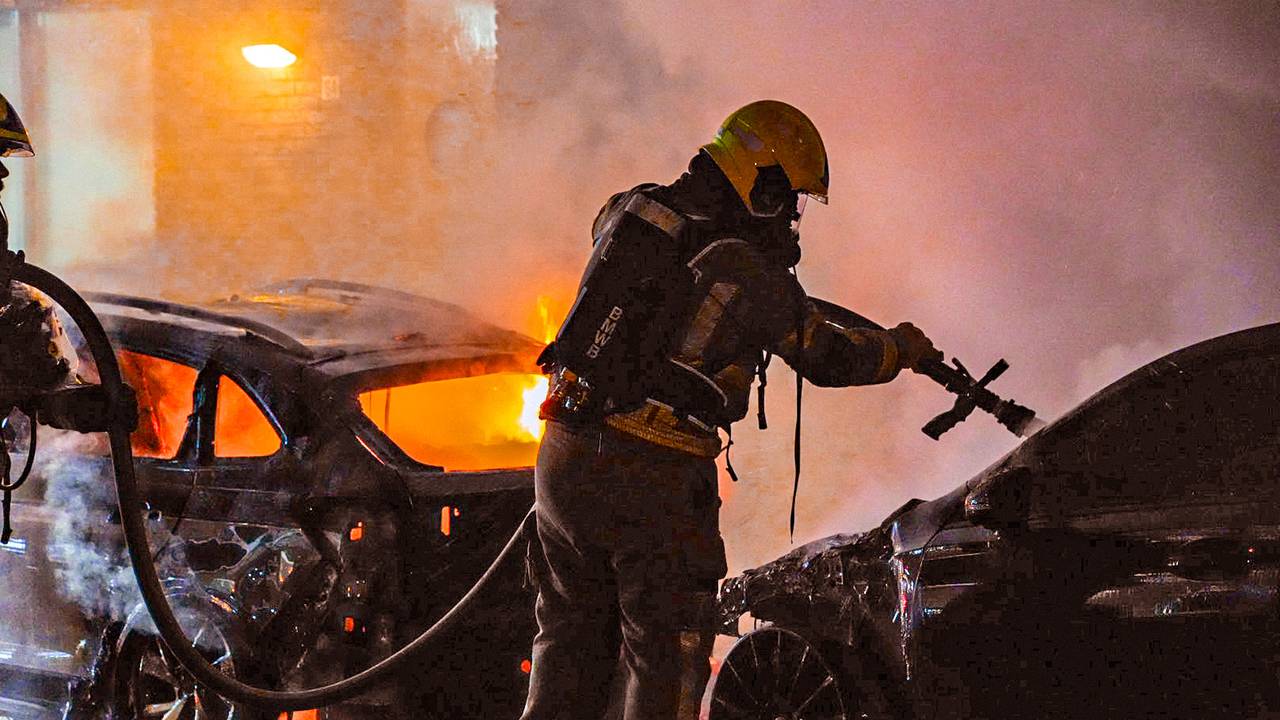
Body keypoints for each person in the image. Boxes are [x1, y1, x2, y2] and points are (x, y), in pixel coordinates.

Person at [521, 100, 941, 720]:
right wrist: (899, 350)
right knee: (665, 655)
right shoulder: (746, 266)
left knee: (568, 643)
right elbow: (827, 357)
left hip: (563, 458)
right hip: (655, 475)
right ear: (760, 181)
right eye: (790, 197)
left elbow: (623, 257)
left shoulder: (635, 207)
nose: (793, 217)